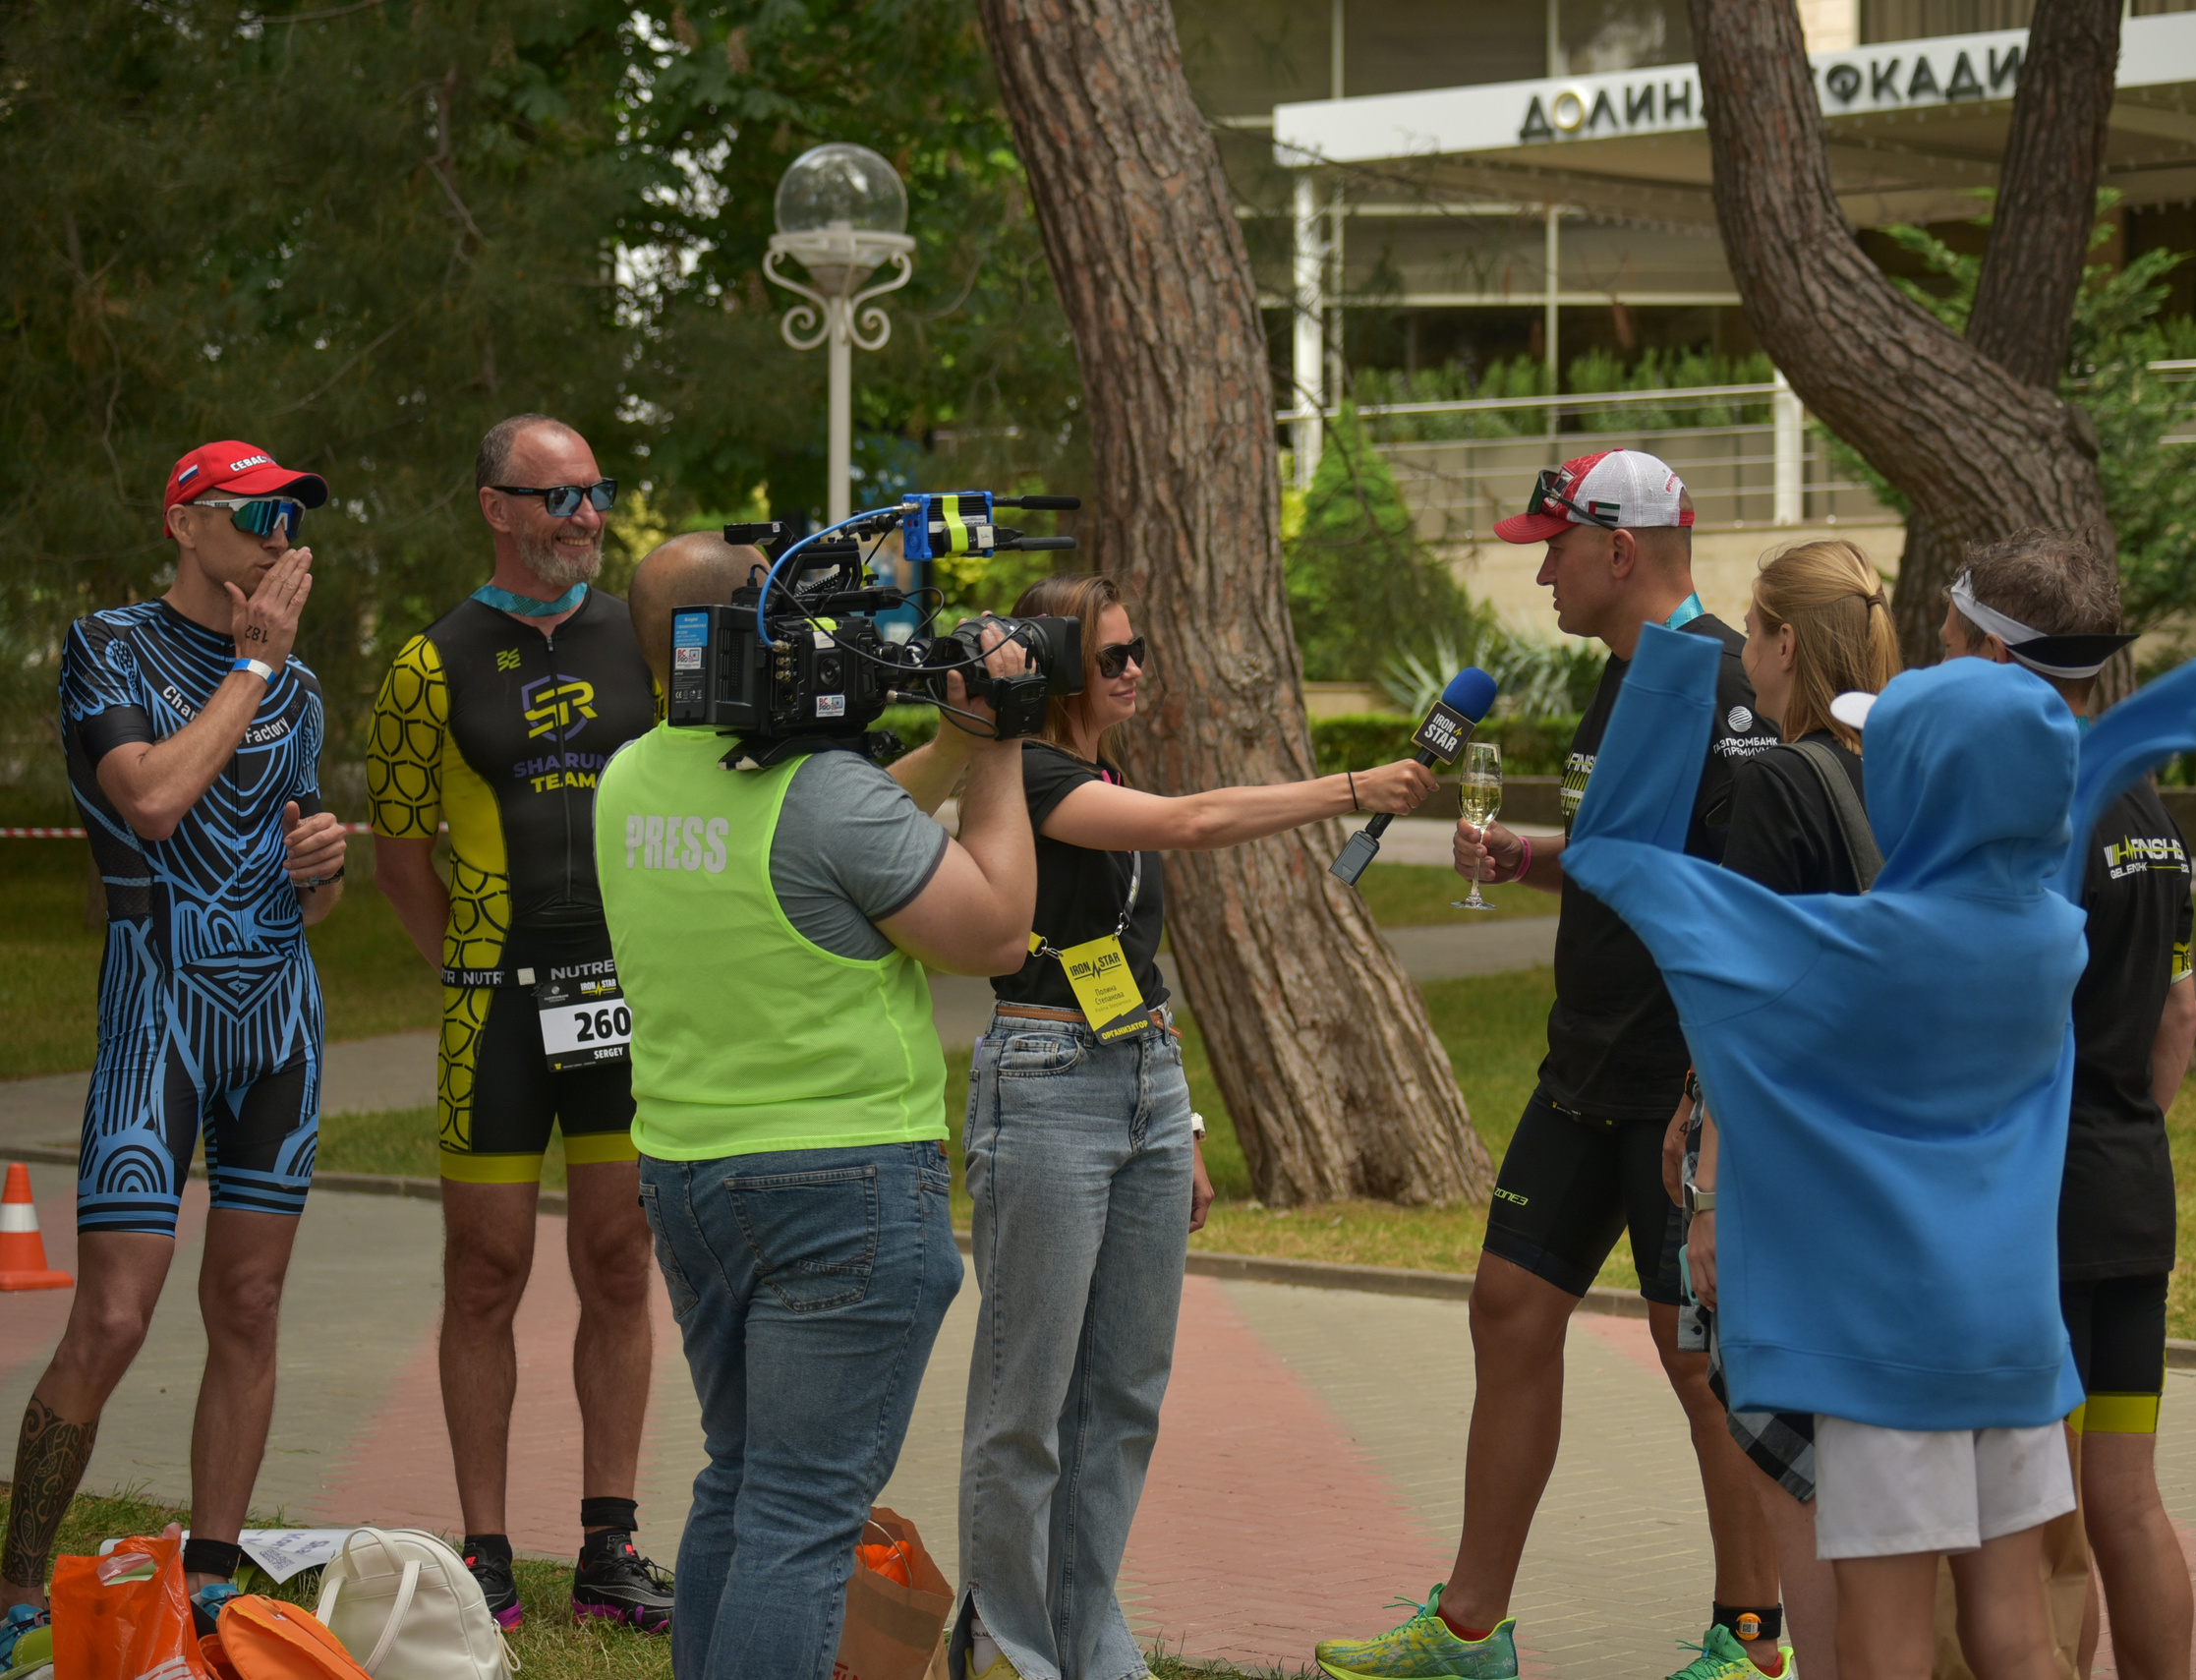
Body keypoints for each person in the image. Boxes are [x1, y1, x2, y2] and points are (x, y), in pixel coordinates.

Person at [1559, 613, 2196, 1680]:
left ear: (1916, 790)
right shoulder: (2044, 935)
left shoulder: (1832, 949)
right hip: (2014, 1346)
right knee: (2015, 1632)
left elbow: (1610, 854)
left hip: (1884, 1361)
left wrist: (1670, 664)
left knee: (1886, 1646)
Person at [883, 573, 1437, 1680]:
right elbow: (1191, 823)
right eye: (1114, 655)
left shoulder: (1098, 769)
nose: (1136, 670)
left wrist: (1177, 1119)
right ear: (1051, 666)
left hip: (1137, 1078)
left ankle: (1089, 1632)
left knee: (1124, 1389)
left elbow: (1133, 963)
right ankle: (1006, 1644)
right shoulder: (1026, 771)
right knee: (1026, 1399)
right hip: (1043, 1079)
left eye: (1142, 650)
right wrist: (1346, 786)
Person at [1316, 449, 1786, 1680]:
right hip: (1578, 1070)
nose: (1539, 572)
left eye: (1554, 547)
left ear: (1619, 551)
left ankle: (1754, 1641)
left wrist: (1712, 1099)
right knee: (1508, 1309)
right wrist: (1533, 859)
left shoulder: (1732, 688)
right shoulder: (1619, 677)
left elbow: (1744, 908)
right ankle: (1470, 1629)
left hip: (1677, 1090)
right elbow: (1623, 848)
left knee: (1700, 1366)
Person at [606, 534, 1037, 1680]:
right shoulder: (822, 791)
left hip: (691, 1176)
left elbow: (835, 843)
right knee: (802, 1516)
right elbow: (994, 930)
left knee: (739, 1479)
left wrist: (945, 739)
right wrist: (997, 750)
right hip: (838, 1187)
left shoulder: (629, 777)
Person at [2, 441, 345, 1660]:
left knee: (249, 1301)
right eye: (254, 512)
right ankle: (17, 1592)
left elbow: (295, 868)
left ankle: (211, 1574)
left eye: (294, 515)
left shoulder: (296, 692)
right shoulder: (109, 646)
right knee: (114, 1317)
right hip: (160, 1018)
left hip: (280, 1023)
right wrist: (253, 663)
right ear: (184, 522)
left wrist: (324, 867)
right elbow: (149, 799)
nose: (278, 533)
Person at [365, 414, 668, 1631]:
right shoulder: (426, 664)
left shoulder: (643, 640)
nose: (584, 516)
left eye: (593, 493)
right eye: (556, 497)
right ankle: (485, 1550)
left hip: (620, 995)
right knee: (484, 1270)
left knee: (618, 1259)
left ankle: (609, 1543)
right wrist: (472, 966)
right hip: (493, 1008)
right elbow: (397, 855)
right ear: (495, 505)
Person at [1942, 532, 2196, 1680]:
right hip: (2130, 1194)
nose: (1939, 653)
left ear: (1998, 654)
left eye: (1950, 636)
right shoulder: (2141, 798)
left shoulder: (2022, 809)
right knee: (2125, 1502)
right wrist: (2116, 1126)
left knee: (2038, 1528)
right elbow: (2177, 1023)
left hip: (2033, 1213)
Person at [1682, 540, 1903, 1680]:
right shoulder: (1919, 769)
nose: (1748, 660)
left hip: (1797, 1179)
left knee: (1799, 1483)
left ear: (1780, 642)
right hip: (1912, 1175)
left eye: (1753, 632)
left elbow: (1746, 1012)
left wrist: (1709, 1191)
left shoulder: (1779, 779)